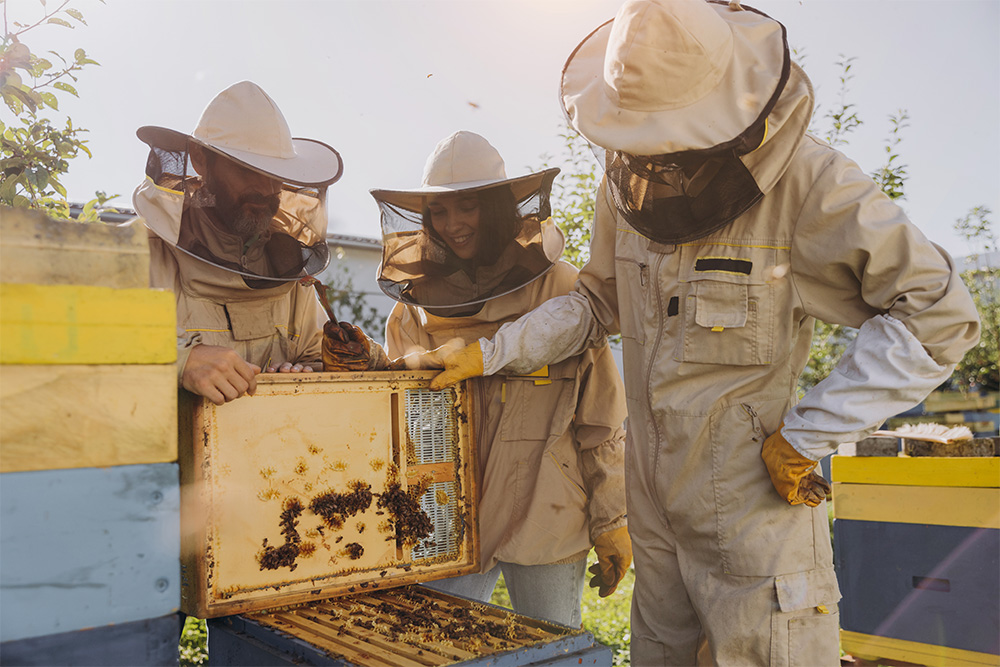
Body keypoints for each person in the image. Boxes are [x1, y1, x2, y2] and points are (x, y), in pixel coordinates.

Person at [430, 2, 981, 664]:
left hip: (755, 529)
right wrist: (493, 350)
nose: (648, 155)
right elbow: (594, 302)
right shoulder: (626, 187)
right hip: (657, 524)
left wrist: (810, 432)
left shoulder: (808, 182)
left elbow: (940, 313)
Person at [372, 130, 632, 628]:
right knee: (437, 644)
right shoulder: (412, 311)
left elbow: (600, 420)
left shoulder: (563, 290)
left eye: (466, 207)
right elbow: (395, 422)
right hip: (445, 514)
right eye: (439, 213)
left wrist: (612, 519)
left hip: (548, 507)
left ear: (493, 208)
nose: (452, 225)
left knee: (550, 648)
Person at [132, 81, 389, 405]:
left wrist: (301, 374)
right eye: (247, 170)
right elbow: (79, 345)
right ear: (200, 160)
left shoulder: (286, 269)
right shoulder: (139, 254)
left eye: (275, 173)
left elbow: (313, 354)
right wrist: (180, 360)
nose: (266, 189)